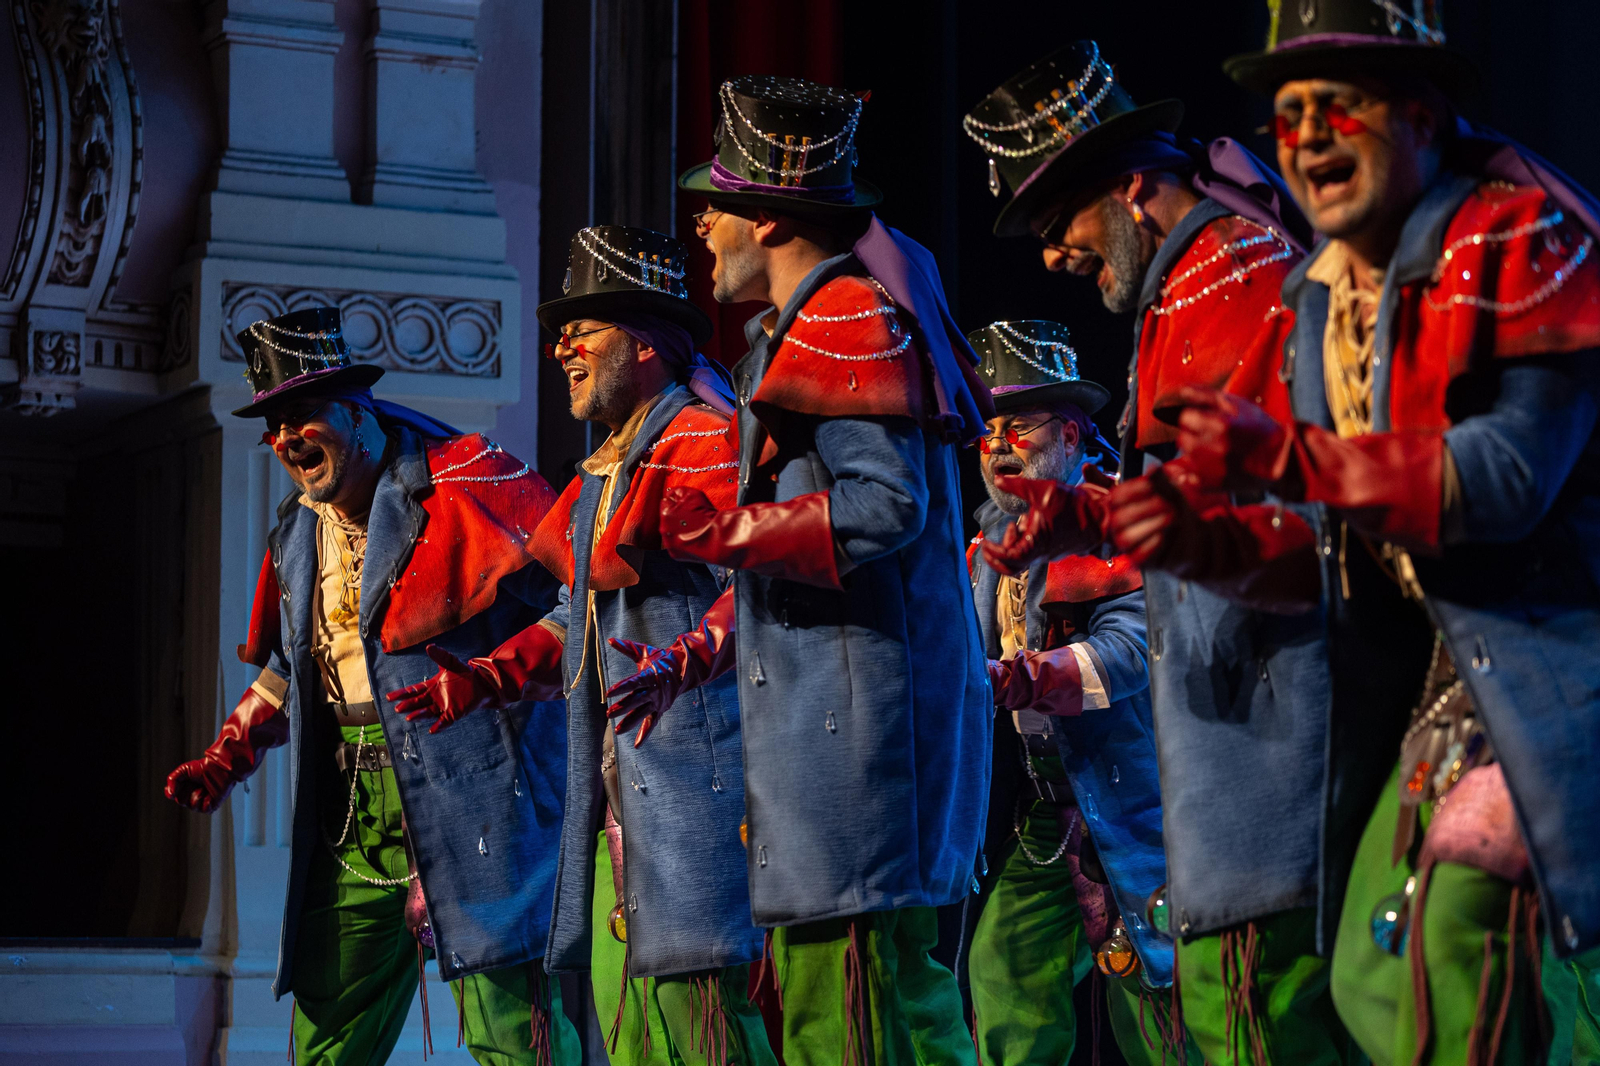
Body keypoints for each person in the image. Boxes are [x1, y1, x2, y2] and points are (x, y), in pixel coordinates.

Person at [1162, 3, 1600, 1061]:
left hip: (1556, 667)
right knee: (1367, 977)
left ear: (1420, 114)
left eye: (1337, 108)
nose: (1306, 137)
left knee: (1462, 955)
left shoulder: (1525, 239)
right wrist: (1196, 545)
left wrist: (1285, 456)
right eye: (1288, 116)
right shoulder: (1328, 297)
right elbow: (1339, 549)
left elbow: (1504, 481)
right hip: (1444, 691)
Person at [964, 42, 1360, 1065]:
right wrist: (1085, 522)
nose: (1052, 257)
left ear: (1133, 190)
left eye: (1062, 227)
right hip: (1163, 778)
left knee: (1241, 1021)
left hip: (1252, 748)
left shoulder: (1228, 275)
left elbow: (1258, 525)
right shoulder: (1183, 292)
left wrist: (1091, 540)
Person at [604, 74, 994, 1066]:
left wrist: (725, 528)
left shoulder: (844, 316)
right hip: (832, 754)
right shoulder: (792, 335)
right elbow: (787, 566)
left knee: (859, 1019)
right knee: (867, 1010)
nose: (704, 231)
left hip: (860, 757)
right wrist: (693, 654)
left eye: (717, 210)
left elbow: (884, 507)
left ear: (770, 223)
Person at [389, 226, 776, 1066]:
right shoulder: (609, 467)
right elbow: (581, 611)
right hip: (620, 803)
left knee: (699, 1027)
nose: (561, 346)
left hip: (695, 792)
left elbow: (758, 592)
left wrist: (687, 659)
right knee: (633, 1029)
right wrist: (491, 675)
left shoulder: (701, 443)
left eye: (583, 330)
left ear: (640, 345)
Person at [164, 307, 577, 1065]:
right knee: (332, 1019)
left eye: (303, 416)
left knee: (514, 1025)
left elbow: (576, 601)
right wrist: (228, 752)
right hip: (353, 806)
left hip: (476, 788)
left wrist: (496, 676)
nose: (287, 439)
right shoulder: (296, 528)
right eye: (275, 424)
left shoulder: (469, 476)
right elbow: (293, 664)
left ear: (356, 412)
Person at [963, 320, 1195, 1066]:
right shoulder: (985, 548)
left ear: (1070, 433)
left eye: (1019, 427)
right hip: (1046, 814)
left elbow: (1132, 651)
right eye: (987, 429)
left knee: (1158, 1008)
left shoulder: (1115, 525)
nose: (999, 444)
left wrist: (1017, 676)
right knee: (1001, 968)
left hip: (1137, 809)